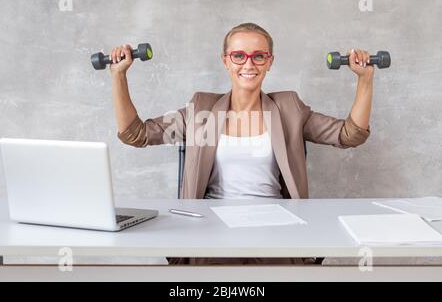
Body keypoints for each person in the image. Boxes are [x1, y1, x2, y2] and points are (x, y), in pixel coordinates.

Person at [109, 23, 373, 265]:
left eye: (259, 56)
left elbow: (349, 135)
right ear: (225, 61)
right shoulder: (201, 110)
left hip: (276, 228)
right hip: (211, 229)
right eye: (239, 56)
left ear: (270, 62)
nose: (249, 64)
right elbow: (136, 134)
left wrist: (365, 79)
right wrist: (118, 76)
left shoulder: (289, 108)